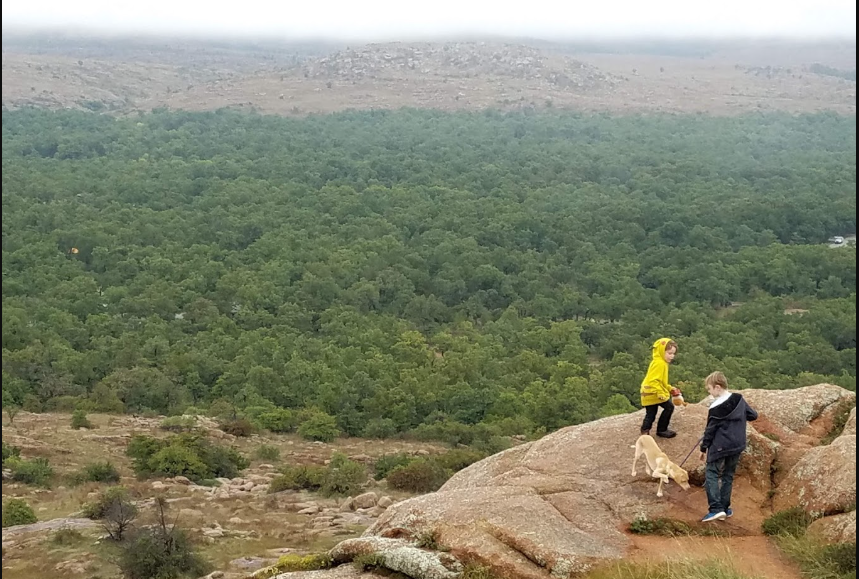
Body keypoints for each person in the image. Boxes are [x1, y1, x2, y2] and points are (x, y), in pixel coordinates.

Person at [698, 371, 758, 522]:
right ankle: (725, 508)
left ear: (717, 387)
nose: (710, 393)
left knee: (711, 473)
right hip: (737, 444)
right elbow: (753, 415)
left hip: (720, 446)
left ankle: (716, 509)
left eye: (710, 389)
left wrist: (703, 448)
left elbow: (710, 431)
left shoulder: (716, 407)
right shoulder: (739, 399)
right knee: (728, 475)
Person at [639, 337, 678, 438]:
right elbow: (653, 381)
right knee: (669, 407)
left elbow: (660, 381)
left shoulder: (659, 361)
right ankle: (662, 430)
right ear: (661, 351)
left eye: (673, 353)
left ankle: (645, 432)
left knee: (651, 413)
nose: (672, 356)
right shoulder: (660, 363)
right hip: (652, 392)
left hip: (648, 392)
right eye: (669, 353)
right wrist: (660, 393)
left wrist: (669, 388)